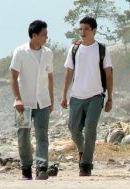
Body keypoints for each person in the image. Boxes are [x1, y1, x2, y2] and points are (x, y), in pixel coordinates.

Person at [60, 16, 113, 176]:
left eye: (86, 29)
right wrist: (64, 95)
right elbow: (68, 73)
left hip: (96, 96)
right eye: (81, 29)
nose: (83, 32)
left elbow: (109, 75)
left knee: (90, 129)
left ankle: (86, 165)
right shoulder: (74, 49)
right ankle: (82, 150)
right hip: (76, 96)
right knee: (73, 128)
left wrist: (110, 97)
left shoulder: (102, 49)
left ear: (94, 31)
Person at [10, 20, 54, 180]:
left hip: (43, 102)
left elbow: (50, 77)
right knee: (23, 137)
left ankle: (42, 168)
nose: (46, 37)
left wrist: (52, 100)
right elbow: (13, 78)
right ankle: (26, 169)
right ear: (34, 35)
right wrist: (17, 99)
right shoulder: (20, 52)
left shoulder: (48, 53)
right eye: (44, 35)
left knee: (42, 136)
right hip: (23, 103)